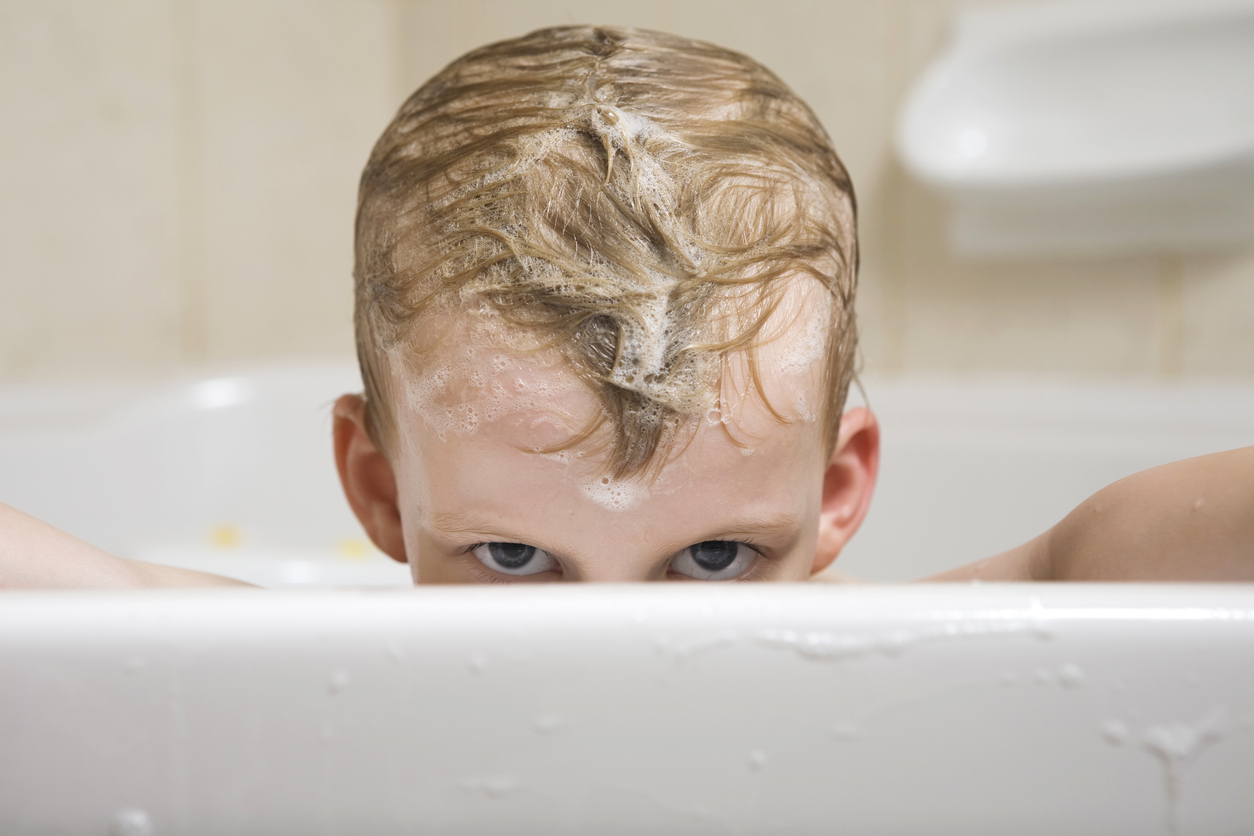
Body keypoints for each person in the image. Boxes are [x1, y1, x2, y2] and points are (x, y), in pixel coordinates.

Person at [2, 25, 1250, 589]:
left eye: (712, 558)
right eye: (514, 557)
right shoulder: (319, 675)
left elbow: (1103, 559)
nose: (616, 651)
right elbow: (89, 597)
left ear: (836, 493)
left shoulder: (922, 651)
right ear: (381, 493)